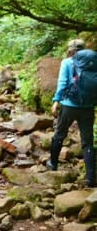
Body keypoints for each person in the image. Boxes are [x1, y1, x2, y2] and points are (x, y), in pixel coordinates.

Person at [47, 39, 96, 187]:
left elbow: (62, 83)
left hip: (69, 105)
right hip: (88, 106)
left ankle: (53, 163)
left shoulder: (67, 62)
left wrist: (56, 101)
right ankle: (90, 177)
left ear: (71, 50)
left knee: (60, 134)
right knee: (87, 141)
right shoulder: (93, 62)